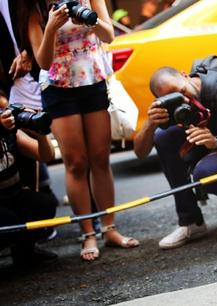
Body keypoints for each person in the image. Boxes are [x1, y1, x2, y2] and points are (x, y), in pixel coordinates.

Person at [27, 0, 139, 261]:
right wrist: (52, 28)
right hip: (58, 86)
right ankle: (88, 232)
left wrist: (90, 21)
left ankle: (110, 228)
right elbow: (42, 62)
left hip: (92, 79)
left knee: (100, 157)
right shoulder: (37, 9)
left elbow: (109, 35)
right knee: (76, 162)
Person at [134, 66, 217, 249]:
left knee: (205, 174)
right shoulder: (169, 107)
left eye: (182, 91)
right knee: (162, 136)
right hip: (200, 139)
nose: (183, 100)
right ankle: (191, 221)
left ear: (185, 76)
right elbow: (140, 153)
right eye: (173, 98)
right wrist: (150, 124)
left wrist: (215, 143)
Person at [0, 91, 58, 267]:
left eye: (4, 109)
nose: (5, 115)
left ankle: (25, 252)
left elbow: (46, 156)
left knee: (43, 204)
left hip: (13, 195)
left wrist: (40, 132)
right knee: (8, 220)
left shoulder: (12, 133)